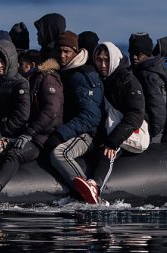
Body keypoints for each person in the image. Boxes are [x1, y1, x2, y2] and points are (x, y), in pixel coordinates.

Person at [0, 50, 64, 205]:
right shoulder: (30, 80)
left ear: (31, 65)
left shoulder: (46, 80)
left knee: (15, 153)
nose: (17, 66)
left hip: (42, 139)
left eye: (21, 64)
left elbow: (50, 111)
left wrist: (29, 133)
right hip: (31, 134)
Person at [74, 42, 145, 204]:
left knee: (107, 153)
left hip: (125, 132)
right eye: (99, 60)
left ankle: (94, 185)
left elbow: (136, 114)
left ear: (114, 59)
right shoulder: (100, 79)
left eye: (107, 60)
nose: (103, 64)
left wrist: (112, 142)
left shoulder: (128, 81)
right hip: (107, 131)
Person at [46, 31, 103, 201]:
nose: (62, 56)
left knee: (59, 153)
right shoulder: (66, 72)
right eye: (60, 51)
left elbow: (91, 116)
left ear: (76, 52)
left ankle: (90, 194)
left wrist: (59, 135)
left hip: (88, 134)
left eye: (67, 52)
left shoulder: (82, 76)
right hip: (73, 131)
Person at [128, 33, 167, 141]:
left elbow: (158, 111)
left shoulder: (148, 75)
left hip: (153, 134)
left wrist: (150, 135)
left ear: (148, 54)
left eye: (138, 54)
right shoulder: (148, 69)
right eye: (131, 53)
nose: (134, 57)